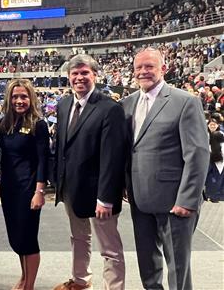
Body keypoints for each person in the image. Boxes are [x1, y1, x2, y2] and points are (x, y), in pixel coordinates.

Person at [122, 48, 209, 290]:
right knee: (147, 267)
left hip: (175, 202)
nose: (143, 72)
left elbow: (198, 154)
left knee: (178, 269)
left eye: (149, 66)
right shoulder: (126, 104)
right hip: (139, 199)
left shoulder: (186, 102)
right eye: (138, 67)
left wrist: (188, 200)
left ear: (163, 68)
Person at [54, 54, 126, 290]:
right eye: (74, 74)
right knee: (78, 238)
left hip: (99, 194)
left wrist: (105, 198)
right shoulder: (64, 105)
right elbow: (64, 148)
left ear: (95, 75)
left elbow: (112, 157)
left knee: (110, 248)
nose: (79, 78)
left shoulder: (110, 108)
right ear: (68, 77)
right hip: (71, 189)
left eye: (84, 73)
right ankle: (81, 280)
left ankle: (113, 288)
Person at [0, 79, 49, 290]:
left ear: (31, 98)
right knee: (17, 238)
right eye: (15, 96)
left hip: (28, 189)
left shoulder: (39, 124)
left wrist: (39, 191)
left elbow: (44, 160)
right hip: (9, 189)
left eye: (24, 96)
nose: (19, 101)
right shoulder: (5, 123)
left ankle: (29, 285)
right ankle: (23, 277)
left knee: (28, 239)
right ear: (9, 99)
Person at [206, 117, 224, 202]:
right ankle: (207, 195)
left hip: (218, 160)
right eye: (211, 124)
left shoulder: (220, 134)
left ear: (217, 125)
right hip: (207, 160)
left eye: (214, 124)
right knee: (208, 179)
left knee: (217, 179)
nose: (212, 126)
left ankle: (215, 197)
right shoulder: (205, 134)